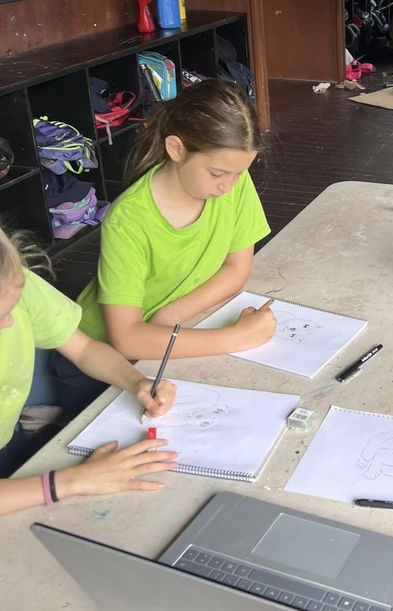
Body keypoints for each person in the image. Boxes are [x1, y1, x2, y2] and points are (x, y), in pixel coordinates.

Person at [53, 80, 277, 415]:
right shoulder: (129, 219)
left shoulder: (232, 179)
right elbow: (127, 339)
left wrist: (170, 315)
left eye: (239, 173)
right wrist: (235, 338)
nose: (228, 187)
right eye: (217, 173)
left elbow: (236, 268)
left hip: (165, 340)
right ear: (176, 149)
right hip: (99, 366)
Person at [0, 225, 178, 510]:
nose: (9, 323)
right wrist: (74, 481)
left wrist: (136, 382)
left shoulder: (12, 281)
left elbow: (84, 349)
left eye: (11, 309)